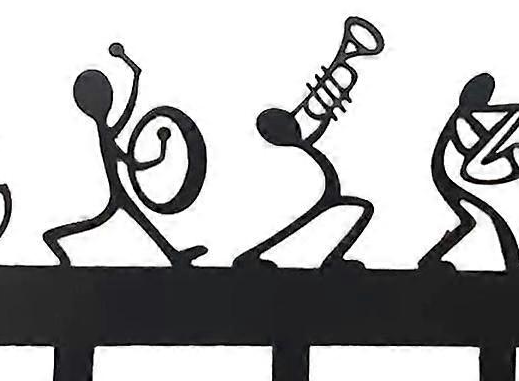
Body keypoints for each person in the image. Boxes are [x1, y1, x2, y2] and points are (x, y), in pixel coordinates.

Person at [43, 44, 207, 266]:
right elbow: (132, 148)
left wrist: (160, 155)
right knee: (139, 221)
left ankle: (174, 255)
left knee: (138, 221)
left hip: (118, 194)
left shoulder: (106, 133)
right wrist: (135, 77)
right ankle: (54, 242)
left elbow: (131, 160)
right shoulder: (107, 134)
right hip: (118, 194)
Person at [420, 73, 519, 272]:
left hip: (452, 176)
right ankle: (512, 263)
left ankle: (431, 259)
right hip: (450, 177)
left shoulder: (468, 117)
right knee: (486, 218)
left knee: (469, 221)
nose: (486, 99)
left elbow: (482, 142)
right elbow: (469, 149)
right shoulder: (461, 119)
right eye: (484, 95)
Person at [233, 106, 374, 269]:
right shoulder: (296, 145)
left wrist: (324, 120)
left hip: (328, 190)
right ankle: (333, 260)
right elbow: (307, 141)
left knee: (360, 207)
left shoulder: (299, 143)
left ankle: (333, 259)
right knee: (361, 208)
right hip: (325, 190)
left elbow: (310, 139)